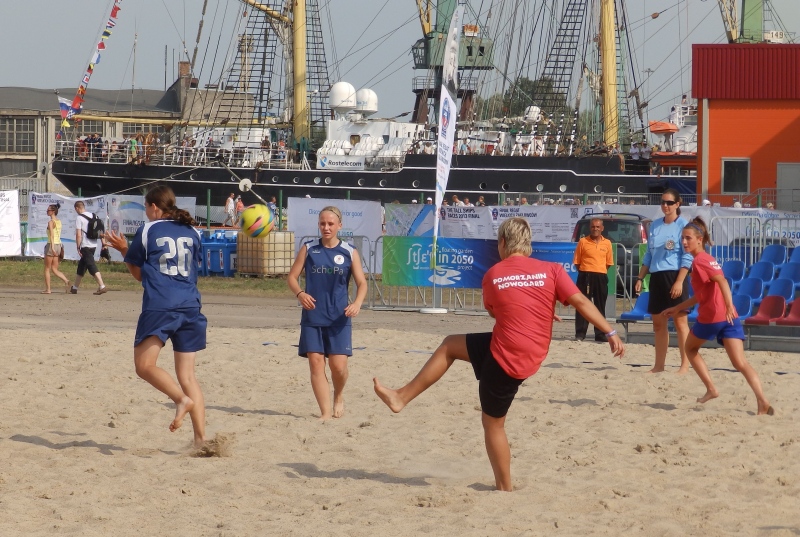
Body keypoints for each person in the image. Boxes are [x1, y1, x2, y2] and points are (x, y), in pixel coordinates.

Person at [373, 218, 625, 491]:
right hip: (528, 348)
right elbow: (580, 301)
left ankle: (504, 487)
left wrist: (529, 307)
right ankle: (401, 396)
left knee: (493, 423)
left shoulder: (494, 273)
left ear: (503, 242)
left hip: (508, 356)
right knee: (450, 345)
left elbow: (495, 311)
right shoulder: (550, 269)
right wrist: (609, 332)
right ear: (528, 243)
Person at [105, 185, 209, 446]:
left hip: (162, 304)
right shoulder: (193, 231)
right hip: (190, 305)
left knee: (144, 366)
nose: (146, 213)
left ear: (153, 207)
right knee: (188, 376)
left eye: (146, 207)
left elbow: (139, 274)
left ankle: (180, 400)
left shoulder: (149, 229)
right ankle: (200, 439)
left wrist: (123, 250)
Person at [662, 218, 773, 415]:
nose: (684, 242)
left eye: (688, 238)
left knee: (690, 348)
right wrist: (678, 307)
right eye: (682, 238)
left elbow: (722, 281)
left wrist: (729, 304)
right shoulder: (707, 258)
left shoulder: (700, 260)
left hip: (713, 316)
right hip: (729, 318)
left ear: (700, 239)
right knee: (741, 363)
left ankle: (711, 389)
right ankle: (763, 401)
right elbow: (701, 294)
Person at [287, 206, 368, 421]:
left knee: (338, 366)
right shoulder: (309, 249)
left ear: (339, 225)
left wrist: (357, 303)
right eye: (323, 223)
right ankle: (324, 413)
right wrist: (300, 294)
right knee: (315, 362)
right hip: (313, 317)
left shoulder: (349, 252)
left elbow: (362, 283)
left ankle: (338, 395)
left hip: (339, 317)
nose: (326, 227)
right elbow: (292, 277)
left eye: (331, 223)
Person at [634, 188, 692, 373]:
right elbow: (649, 255)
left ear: (677, 204)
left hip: (675, 275)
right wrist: (640, 277)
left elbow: (687, 256)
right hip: (657, 277)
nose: (665, 206)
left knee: (680, 322)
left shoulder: (683, 225)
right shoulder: (656, 225)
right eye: (663, 202)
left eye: (669, 202)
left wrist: (679, 282)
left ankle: (685, 364)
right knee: (658, 324)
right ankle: (659, 365)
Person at [574, 218, 614, 341]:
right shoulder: (583, 241)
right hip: (585, 275)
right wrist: (586, 271)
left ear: (602, 228)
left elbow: (608, 263)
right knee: (583, 305)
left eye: (597, 227)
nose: (595, 229)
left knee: (600, 306)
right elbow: (577, 262)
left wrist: (599, 271)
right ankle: (580, 334)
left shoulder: (607, 243)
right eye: (593, 227)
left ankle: (600, 334)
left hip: (601, 276)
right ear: (589, 228)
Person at [70, 201, 107, 295]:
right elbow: (101, 231)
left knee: (91, 265)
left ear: (77, 208)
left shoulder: (79, 218)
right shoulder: (94, 216)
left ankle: (102, 286)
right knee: (82, 266)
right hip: (94, 245)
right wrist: (104, 244)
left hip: (85, 245)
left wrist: (78, 247)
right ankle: (74, 288)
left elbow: (79, 235)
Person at [42, 203, 70, 294]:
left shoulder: (51, 222)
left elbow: (52, 235)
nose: (47, 211)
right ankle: (66, 280)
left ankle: (48, 289)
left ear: (53, 211)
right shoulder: (59, 221)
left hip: (52, 245)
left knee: (47, 269)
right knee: (54, 269)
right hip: (59, 245)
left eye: (48, 210)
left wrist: (52, 248)